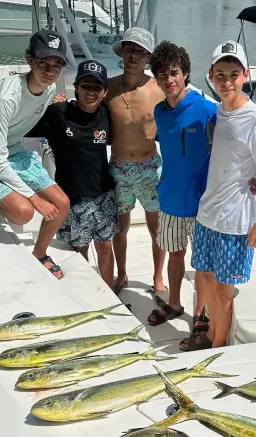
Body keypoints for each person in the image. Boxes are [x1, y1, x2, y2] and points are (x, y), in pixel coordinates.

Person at [183, 40, 256, 351]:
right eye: (221, 75)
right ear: (211, 75)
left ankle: (216, 347)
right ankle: (209, 331)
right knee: (207, 278)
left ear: (246, 75)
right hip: (207, 215)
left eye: (234, 75)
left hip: (235, 222)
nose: (227, 82)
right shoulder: (217, 113)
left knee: (225, 292)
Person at [0, 29, 73, 277]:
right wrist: (35, 198)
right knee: (23, 213)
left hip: (10, 148)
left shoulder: (50, 91)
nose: (49, 71)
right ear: (29, 59)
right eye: (42, 62)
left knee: (62, 203)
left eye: (56, 65)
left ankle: (40, 253)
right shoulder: (4, 96)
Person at [26, 59, 120, 288]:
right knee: (79, 251)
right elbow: (23, 118)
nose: (91, 92)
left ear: (104, 92)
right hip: (72, 199)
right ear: (75, 88)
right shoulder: (58, 113)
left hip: (104, 194)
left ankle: (109, 294)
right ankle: (87, 293)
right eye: (86, 85)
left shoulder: (107, 114)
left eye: (97, 87)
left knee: (106, 248)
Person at [146, 41, 219, 334]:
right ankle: (174, 303)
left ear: (186, 73)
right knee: (175, 255)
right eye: (162, 75)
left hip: (202, 203)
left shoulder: (206, 109)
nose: (169, 80)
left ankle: (201, 314)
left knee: (202, 263)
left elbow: (236, 138)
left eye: (174, 72)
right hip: (170, 199)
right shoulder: (160, 111)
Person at [104, 28, 167, 294]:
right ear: (123, 51)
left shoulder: (159, 88)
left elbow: (183, 113)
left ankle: (157, 277)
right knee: (120, 228)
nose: (134, 55)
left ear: (149, 57)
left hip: (150, 167)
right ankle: (122, 274)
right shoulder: (108, 88)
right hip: (118, 167)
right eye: (130, 48)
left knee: (157, 229)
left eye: (141, 51)